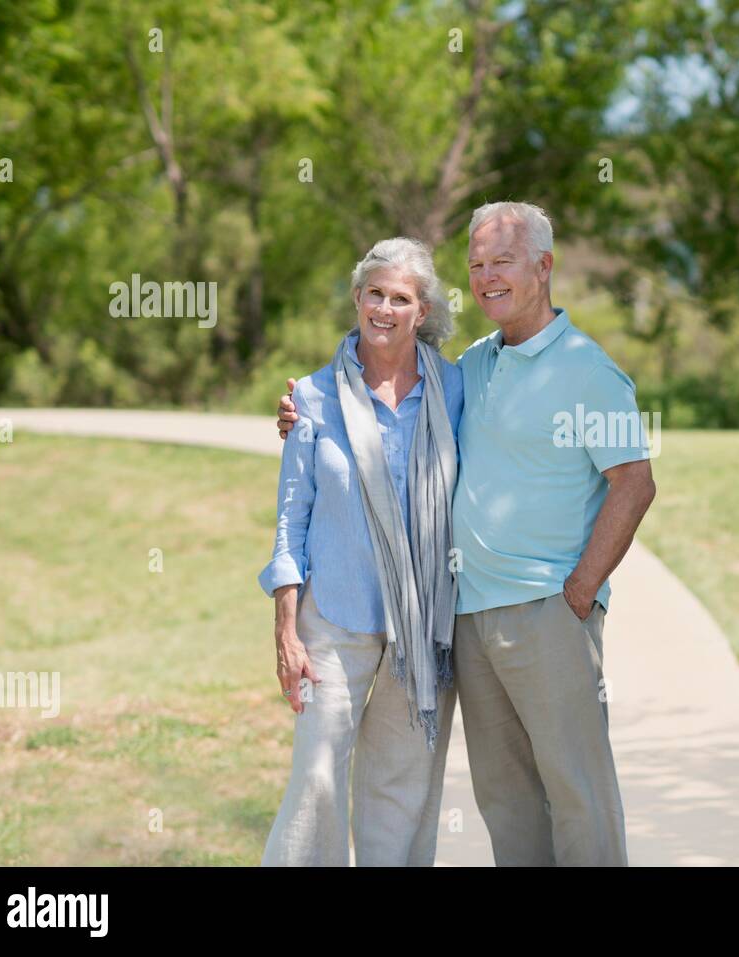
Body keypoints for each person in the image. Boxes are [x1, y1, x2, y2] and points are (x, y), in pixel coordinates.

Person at [278, 202, 655, 866]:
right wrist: (300, 413)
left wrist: (578, 592)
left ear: (544, 266)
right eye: (477, 264)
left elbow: (635, 483)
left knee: (578, 796)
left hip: (546, 614)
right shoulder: (472, 367)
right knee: (505, 801)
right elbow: (363, 410)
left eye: (502, 260)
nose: (487, 276)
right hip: (469, 620)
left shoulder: (588, 370)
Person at [259, 237, 464, 866]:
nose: (384, 307)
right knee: (317, 779)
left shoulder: (455, 389)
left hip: (422, 627)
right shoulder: (313, 398)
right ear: (356, 298)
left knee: (400, 790)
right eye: (373, 293)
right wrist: (287, 630)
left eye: (400, 298)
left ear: (421, 311)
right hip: (334, 620)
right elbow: (291, 517)